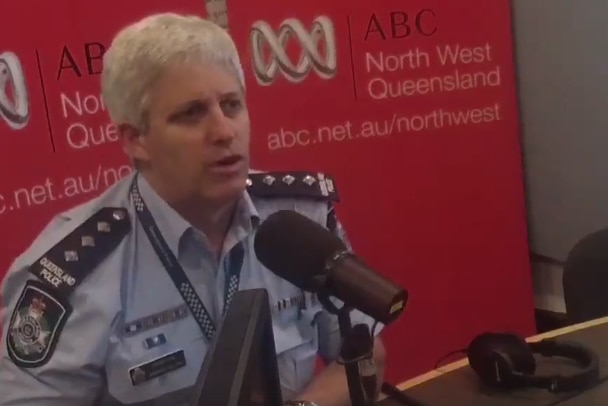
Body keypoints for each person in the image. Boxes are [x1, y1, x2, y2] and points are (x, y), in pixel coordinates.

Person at [0, 12, 386, 406]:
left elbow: (362, 354)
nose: (224, 132)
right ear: (136, 140)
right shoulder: (71, 273)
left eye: (232, 105)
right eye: (191, 114)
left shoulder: (299, 222)